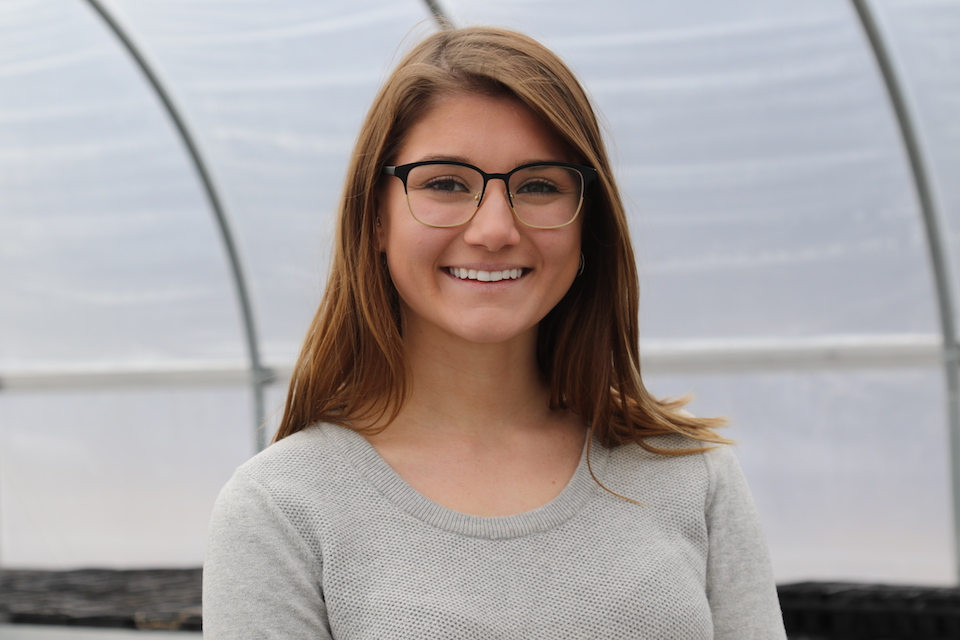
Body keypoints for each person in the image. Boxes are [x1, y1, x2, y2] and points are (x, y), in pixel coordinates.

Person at [202, 26, 786, 639]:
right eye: (446, 183)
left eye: (539, 185)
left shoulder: (691, 476)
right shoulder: (282, 507)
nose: (494, 229)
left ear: (588, 223)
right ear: (375, 217)